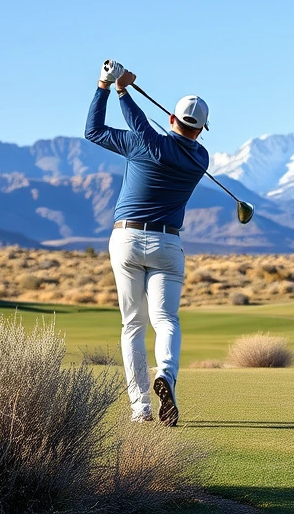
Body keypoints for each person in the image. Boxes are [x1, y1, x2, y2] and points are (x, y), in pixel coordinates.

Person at [85, 59, 210, 426]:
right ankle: (166, 376)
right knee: (165, 319)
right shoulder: (200, 158)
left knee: (133, 325)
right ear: (201, 130)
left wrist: (108, 86)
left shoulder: (142, 142)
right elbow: (151, 137)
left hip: (125, 239)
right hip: (167, 245)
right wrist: (121, 89)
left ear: (172, 118)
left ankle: (140, 408)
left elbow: (93, 131)